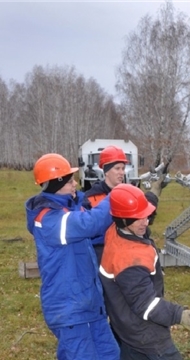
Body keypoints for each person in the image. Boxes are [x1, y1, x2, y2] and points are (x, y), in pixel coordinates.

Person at [25, 153, 119, 360]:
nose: (75, 183)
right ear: (57, 184)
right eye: (70, 181)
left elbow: (91, 226)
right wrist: (114, 195)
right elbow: (89, 224)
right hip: (70, 309)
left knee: (110, 353)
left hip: (89, 305)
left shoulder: (67, 209)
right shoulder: (49, 219)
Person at [99, 184, 190, 360]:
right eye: (138, 218)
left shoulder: (115, 230)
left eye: (146, 216)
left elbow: (139, 209)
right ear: (122, 219)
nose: (145, 222)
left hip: (125, 327)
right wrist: (179, 314)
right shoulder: (129, 260)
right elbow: (145, 305)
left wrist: (154, 192)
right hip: (146, 331)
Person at [83, 145, 129, 262]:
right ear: (106, 171)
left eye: (123, 168)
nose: (121, 173)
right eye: (117, 168)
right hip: (101, 254)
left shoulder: (129, 194)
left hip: (126, 251)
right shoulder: (90, 198)